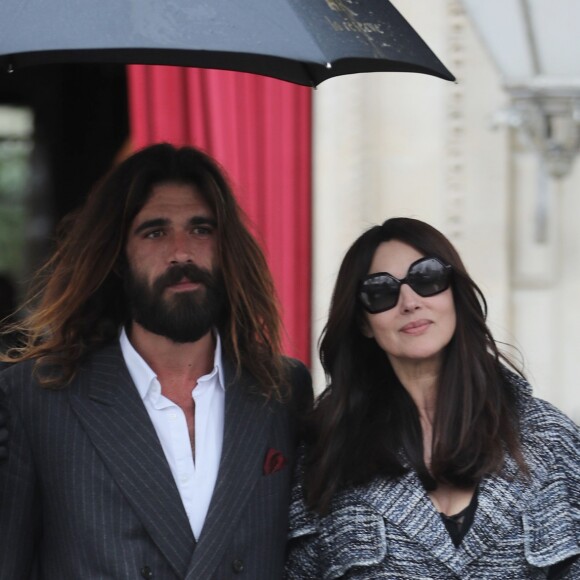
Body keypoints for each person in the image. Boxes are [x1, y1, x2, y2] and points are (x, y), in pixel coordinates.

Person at [0, 143, 312, 579]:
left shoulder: (282, 389)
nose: (182, 253)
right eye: (155, 232)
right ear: (118, 258)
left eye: (201, 229)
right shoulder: (38, 399)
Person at [285, 217, 579, 579]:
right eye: (381, 291)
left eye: (426, 278)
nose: (409, 302)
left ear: (454, 292)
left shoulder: (548, 438)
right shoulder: (325, 453)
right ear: (363, 323)